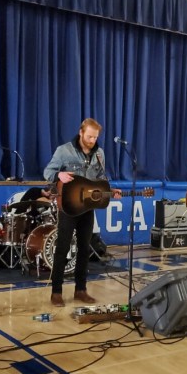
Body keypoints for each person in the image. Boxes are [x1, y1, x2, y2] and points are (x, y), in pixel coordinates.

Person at [44, 118, 120, 307]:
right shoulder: (64, 150)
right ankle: (56, 291)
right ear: (81, 132)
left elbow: (100, 179)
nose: (92, 140)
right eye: (89, 136)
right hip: (68, 208)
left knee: (85, 249)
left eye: (95, 137)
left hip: (87, 208)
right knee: (62, 249)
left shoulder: (99, 154)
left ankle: (81, 289)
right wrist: (57, 175)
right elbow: (48, 171)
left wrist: (111, 190)